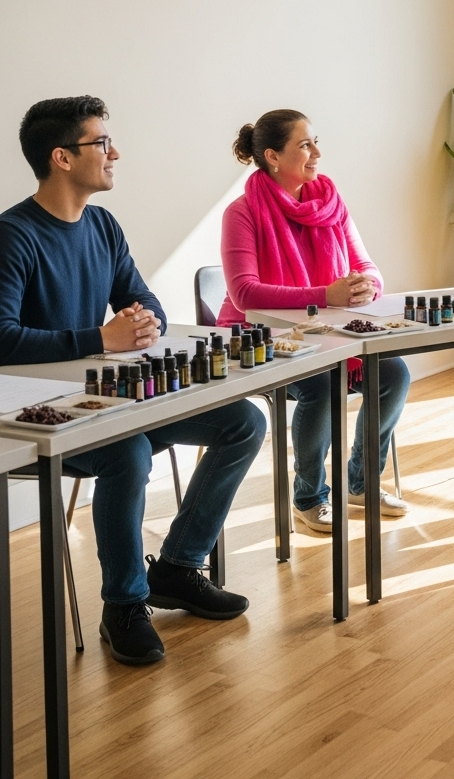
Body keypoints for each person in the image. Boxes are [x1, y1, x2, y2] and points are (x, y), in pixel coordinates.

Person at [0, 97, 265, 667]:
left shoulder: (101, 224)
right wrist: (101, 339)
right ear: (62, 158)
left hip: (115, 397)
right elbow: (2, 339)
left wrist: (144, 322)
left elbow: (142, 300)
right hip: (47, 416)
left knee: (243, 421)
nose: (114, 152)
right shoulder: (13, 236)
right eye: (101, 143)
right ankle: (124, 602)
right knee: (128, 450)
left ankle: (177, 565)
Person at [218, 109, 411, 527]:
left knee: (394, 374)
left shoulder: (329, 202)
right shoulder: (242, 212)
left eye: (314, 142)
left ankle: (360, 484)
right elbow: (244, 293)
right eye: (305, 145)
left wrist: (366, 286)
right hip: (255, 338)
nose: (317, 153)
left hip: (327, 331)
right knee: (322, 383)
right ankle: (308, 497)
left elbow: (366, 265)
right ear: (272, 156)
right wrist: (326, 294)